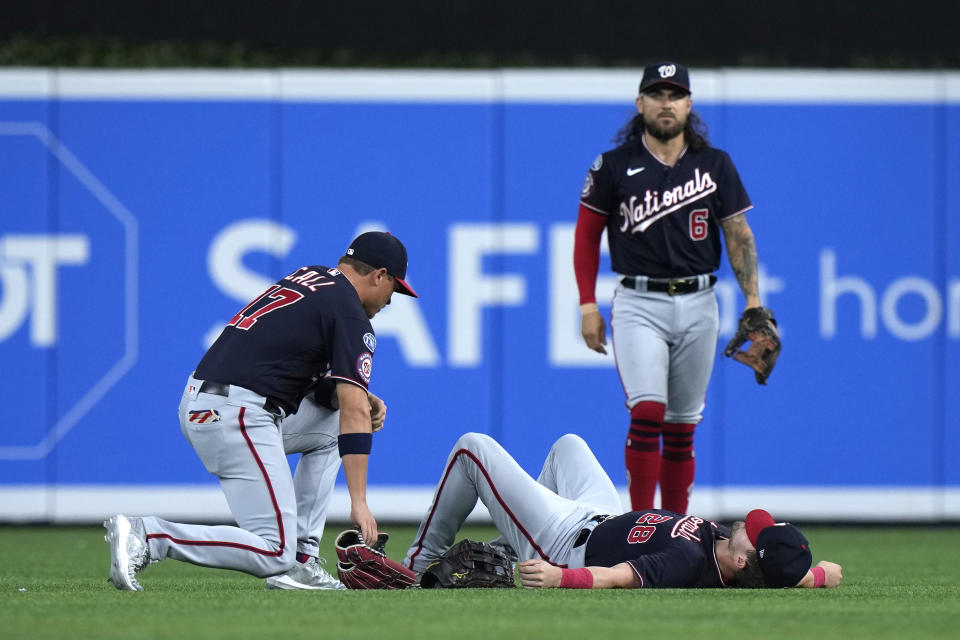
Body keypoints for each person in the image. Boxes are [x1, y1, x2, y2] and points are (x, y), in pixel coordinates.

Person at [104, 231, 418, 591]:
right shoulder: (349, 312)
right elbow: (354, 414)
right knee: (273, 553)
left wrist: (357, 395)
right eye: (394, 287)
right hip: (236, 412)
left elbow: (301, 378)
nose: (391, 300)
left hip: (215, 402)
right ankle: (148, 536)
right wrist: (359, 502)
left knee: (331, 428)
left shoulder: (312, 279)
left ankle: (301, 563)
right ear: (379, 275)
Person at [574, 61, 767, 513]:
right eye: (657, 94)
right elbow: (586, 237)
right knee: (647, 412)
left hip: (701, 301)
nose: (667, 103)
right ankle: (640, 524)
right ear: (640, 103)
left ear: (689, 104)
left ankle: (675, 529)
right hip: (639, 301)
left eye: (675, 94)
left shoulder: (714, 164)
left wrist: (754, 302)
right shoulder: (613, 166)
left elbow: (738, 234)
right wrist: (587, 304)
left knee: (683, 426)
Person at [404, 432, 842, 589]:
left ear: (744, 559)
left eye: (756, 532)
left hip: (567, 543)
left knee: (472, 448)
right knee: (568, 447)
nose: (750, 522)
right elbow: (792, 573)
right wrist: (819, 574)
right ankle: (507, 545)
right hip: (601, 514)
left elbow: (617, 578)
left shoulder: (687, 562)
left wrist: (561, 577)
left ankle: (414, 565)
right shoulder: (756, 565)